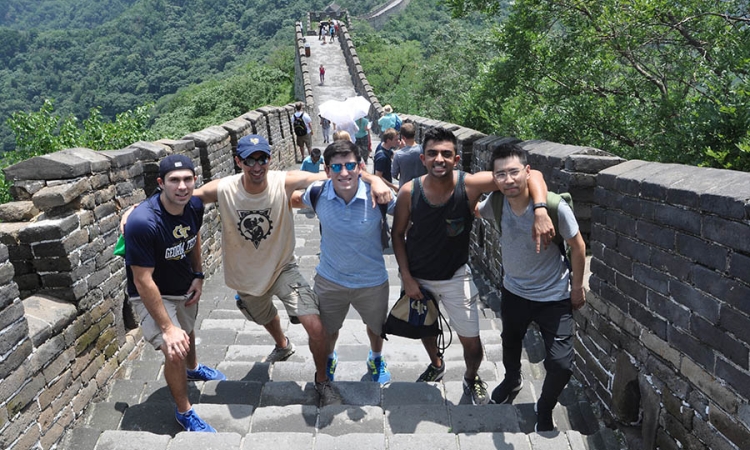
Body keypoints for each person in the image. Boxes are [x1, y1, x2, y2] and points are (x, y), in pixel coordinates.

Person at [194, 134, 392, 406]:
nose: (257, 165)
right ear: (238, 161)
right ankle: (283, 344)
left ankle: (322, 381)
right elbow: (184, 196)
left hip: (284, 268)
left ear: (269, 159)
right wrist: (141, 209)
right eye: (249, 159)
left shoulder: (282, 180)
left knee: (316, 326)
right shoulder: (225, 187)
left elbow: (337, 176)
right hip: (245, 275)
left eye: (262, 158)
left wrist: (374, 179)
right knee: (265, 317)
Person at [391, 127, 554, 406]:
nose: (438, 159)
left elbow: (531, 174)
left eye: (446, 154)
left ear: (456, 160)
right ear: (423, 159)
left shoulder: (470, 185)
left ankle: (470, 377)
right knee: (425, 329)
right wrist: (406, 277)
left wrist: (540, 209)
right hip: (417, 277)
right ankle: (437, 363)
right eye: (432, 154)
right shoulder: (410, 192)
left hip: (456, 276)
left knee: (473, 342)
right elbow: (397, 234)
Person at [477, 143, 585, 431]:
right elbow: (474, 209)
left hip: (554, 296)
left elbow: (578, 247)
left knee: (561, 364)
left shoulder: (553, 207)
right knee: (510, 342)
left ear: (527, 172)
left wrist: (577, 288)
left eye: (514, 172)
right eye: (501, 174)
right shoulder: (496, 203)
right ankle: (512, 379)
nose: (508, 180)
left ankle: (545, 405)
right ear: (494, 178)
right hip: (514, 292)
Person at [125, 154, 226, 433]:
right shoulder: (143, 222)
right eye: (174, 180)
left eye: (187, 180)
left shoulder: (193, 205)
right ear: (161, 183)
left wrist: (199, 275)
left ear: (195, 180)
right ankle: (184, 411)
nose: (182, 186)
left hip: (184, 285)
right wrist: (167, 328)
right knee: (174, 348)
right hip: (152, 293)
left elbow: (193, 238)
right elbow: (142, 279)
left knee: (187, 330)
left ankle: (193, 370)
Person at [293, 140, 396, 386]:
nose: (344, 172)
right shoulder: (318, 193)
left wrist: (378, 180)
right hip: (330, 280)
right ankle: (329, 357)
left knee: (376, 328)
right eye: (336, 167)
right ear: (326, 171)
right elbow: (290, 199)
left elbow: (413, 203)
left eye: (350, 165)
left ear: (360, 166)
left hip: (372, 281)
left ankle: (376, 357)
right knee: (329, 330)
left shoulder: (379, 196)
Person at [391, 122, 426, 189]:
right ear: (414, 134)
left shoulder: (398, 155)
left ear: (403, 137)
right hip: (423, 188)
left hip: (405, 189)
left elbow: (394, 174)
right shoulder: (423, 150)